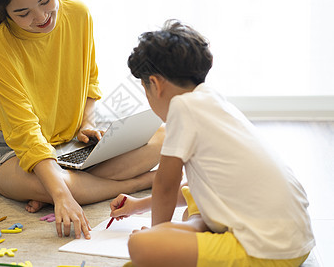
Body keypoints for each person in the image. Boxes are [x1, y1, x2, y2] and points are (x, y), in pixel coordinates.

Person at [109, 19, 315, 266]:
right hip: (292, 240)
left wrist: (159, 238)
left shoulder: (181, 108)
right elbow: (198, 186)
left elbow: (165, 185)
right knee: (193, 204)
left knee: (140, 246)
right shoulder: (212, 101)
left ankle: (183, 234)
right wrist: (139, 205)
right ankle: (194, 227)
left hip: (267, 252)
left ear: (154, 84)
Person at [0, 0, 164, 240]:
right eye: (23, 13)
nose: (41, 17)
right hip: (15, 150)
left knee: (163, 136)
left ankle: (67, 184)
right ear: (4, 10)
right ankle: (141, 181)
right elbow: (26, 135)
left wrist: (86, 122)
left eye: (45, 0)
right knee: (61, 186)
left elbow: (90, 79)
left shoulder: (78, 13)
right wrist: (61, 196)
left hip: (69, 141)